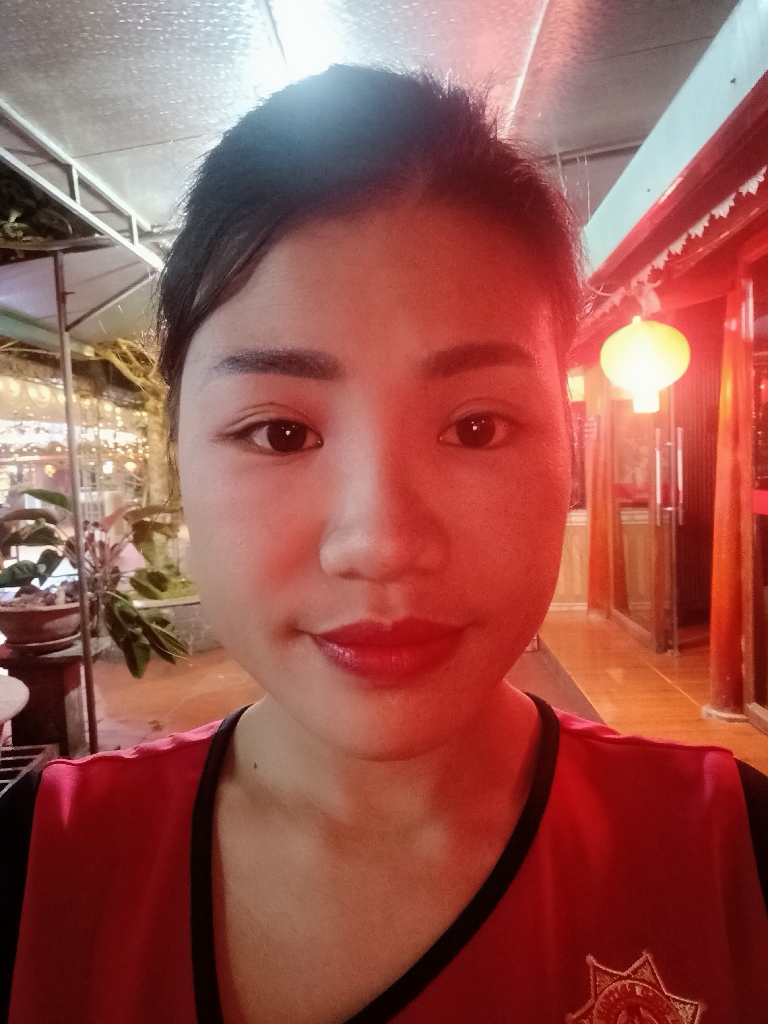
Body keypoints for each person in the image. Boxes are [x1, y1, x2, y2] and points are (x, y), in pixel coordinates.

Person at [2, 64, 768, 1024]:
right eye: (281, 432)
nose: (381, 544)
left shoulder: (728, 853)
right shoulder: (43, 867)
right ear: (177, 461)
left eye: (476, 427)